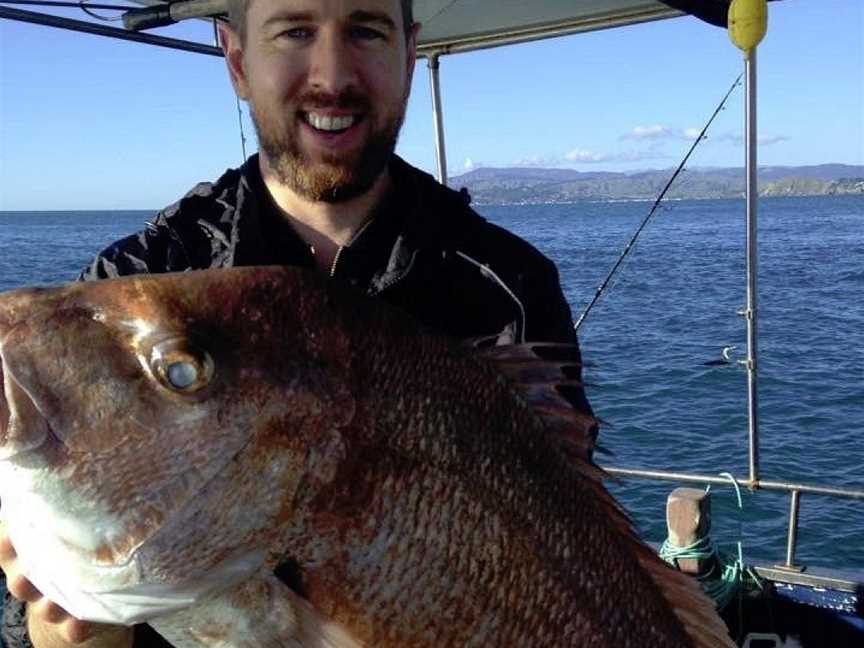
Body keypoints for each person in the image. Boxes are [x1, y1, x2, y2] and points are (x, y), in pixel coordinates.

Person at [0, 1, 593, 646]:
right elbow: (37, 614)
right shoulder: (139, 276)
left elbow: (580, 539)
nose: (331, 74)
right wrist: (67, 635)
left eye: (366, 30)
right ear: (237, 60)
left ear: (409, 55)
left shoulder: (508, 283)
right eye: (295, 31)